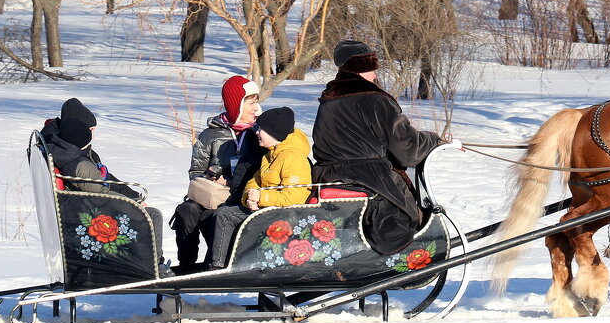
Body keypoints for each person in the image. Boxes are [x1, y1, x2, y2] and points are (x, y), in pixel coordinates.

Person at [311, 40, 442, 254]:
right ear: (363, 69)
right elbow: (408, 150)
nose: (375, 76)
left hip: (326, 177)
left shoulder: (328, 101)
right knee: (402, 218)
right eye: (372, 70)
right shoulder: (376, 100)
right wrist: (434, 140)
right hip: (370, 179)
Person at [170, 75, 264, 273]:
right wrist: (211, 180)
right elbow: (195, 172)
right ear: (236, 105)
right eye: (251, 103)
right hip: (212, 196)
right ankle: (185, 269)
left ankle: (216, 265)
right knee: (186, 210)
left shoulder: (260, 134)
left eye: (257, 102)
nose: (257, 108)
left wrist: (233, 181)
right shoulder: (210, 135)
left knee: (216, 216)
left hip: (242, 198)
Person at [46, 105, 164, 256]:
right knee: (152, 215)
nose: (93, 135)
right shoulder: (79, 164)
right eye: (91, 130)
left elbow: (106, 178)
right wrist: (134, 205)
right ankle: (154, 264)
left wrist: (135, 197)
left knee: (147, 211)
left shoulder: (79, 153)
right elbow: (102, 194)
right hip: (92, 213)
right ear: (80, 131)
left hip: (90, 206)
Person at [207, 106, 312, 269]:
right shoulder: (270, 155)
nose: (256, 132)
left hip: (285, 213)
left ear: (273, 132)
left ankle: (219, 267)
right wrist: (249, 198)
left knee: (225, 215)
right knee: (222, 212)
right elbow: (254, 182)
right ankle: (223, 263)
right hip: (268, 208)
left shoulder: (293, 157)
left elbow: (294, 197)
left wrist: (261, 198)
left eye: (261, 129)